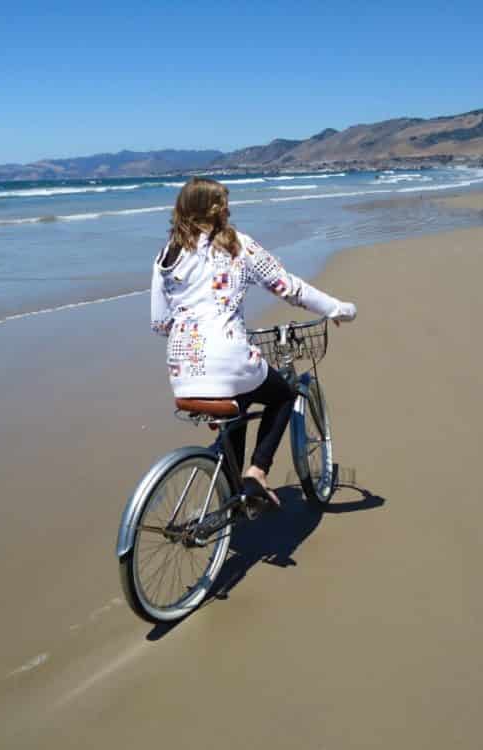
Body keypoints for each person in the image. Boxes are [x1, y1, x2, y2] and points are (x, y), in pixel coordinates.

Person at [151, 177, 357, 507]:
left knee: (241, 398)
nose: (229, 208)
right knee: (284, 395)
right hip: (229, 357)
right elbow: (289, 288)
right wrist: (338, 309)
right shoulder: (239, 246)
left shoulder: (167, 255)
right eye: (225, 202)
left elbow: (160, 324)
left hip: (181, 369)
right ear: (217, 210)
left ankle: (234, 491)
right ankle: (257, 472)